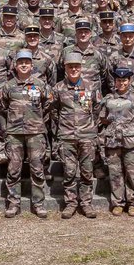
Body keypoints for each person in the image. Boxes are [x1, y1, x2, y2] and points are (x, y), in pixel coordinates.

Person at [0, 50, 54, 218]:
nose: (23, 65)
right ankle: (13, 204)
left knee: (37, 169)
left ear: (32, 65)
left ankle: (38, 204)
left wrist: (36, 120)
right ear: (15, 65)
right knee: (13, 169)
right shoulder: (8, 86)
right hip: (14, 134)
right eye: (20, 62)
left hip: (35, 133)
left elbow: (48, 104)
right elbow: (2, 108)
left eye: (27, 62)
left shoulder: (40, 85)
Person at [53, 52, 101, 219]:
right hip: (67, 136)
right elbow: (54, 111)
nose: (73, 69)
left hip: (87, 136)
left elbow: (97, 109)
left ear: (81, 67)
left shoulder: (91, 86)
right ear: (65, 68)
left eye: (76, 66)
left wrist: (91, 129)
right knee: (69, 171)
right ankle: (71, 203)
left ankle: (86, 203)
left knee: (87, 171)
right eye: (70, 66)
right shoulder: (58, 88)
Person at [100, 67, 134, 216]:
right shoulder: (108, 99)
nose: (121, 83)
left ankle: (133, 202)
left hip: (130, 141)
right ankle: (118, 203)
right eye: (118, 80)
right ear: (115, 81)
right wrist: (116, 126)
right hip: (112, 141)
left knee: (132, 171)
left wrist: (129, 126)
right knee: (115, 172)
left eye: (124, 80)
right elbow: (103, 118)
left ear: (129, 81)